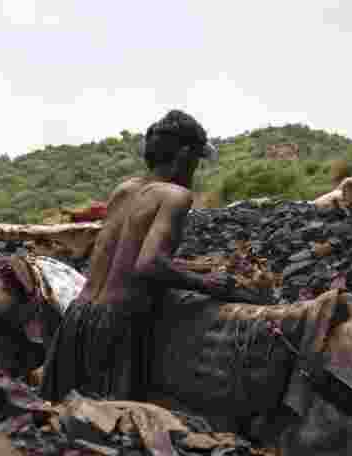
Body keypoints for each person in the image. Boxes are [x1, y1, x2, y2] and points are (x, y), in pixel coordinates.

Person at [40, 109, 266, 403]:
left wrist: (195, 267)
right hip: (117, 325)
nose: (195, 170)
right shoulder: (175, 196)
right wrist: (208, 284)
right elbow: (147, 265)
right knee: (113, 427)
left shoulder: (124, 190)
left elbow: (121, 256)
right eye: (196, 161)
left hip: (79, 316)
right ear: (185, 155)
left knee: (62, 421)